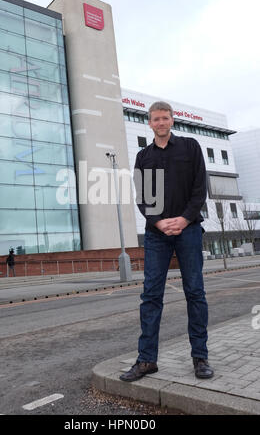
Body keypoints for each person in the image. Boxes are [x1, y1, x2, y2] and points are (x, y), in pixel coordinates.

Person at [120, 101, 214, 382]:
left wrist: (184, 219)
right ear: (149, 123)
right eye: (155, 119)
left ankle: (200, 358)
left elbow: (200, 190)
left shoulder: (190, 147)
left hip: (189, 230)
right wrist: (159, 221)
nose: (161, 123)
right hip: (156, 234)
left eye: (165, 118)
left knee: (195, 292)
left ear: (172, 120)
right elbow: (142, 197)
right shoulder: (143, 156)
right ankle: (147, 361)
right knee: (150, 296)